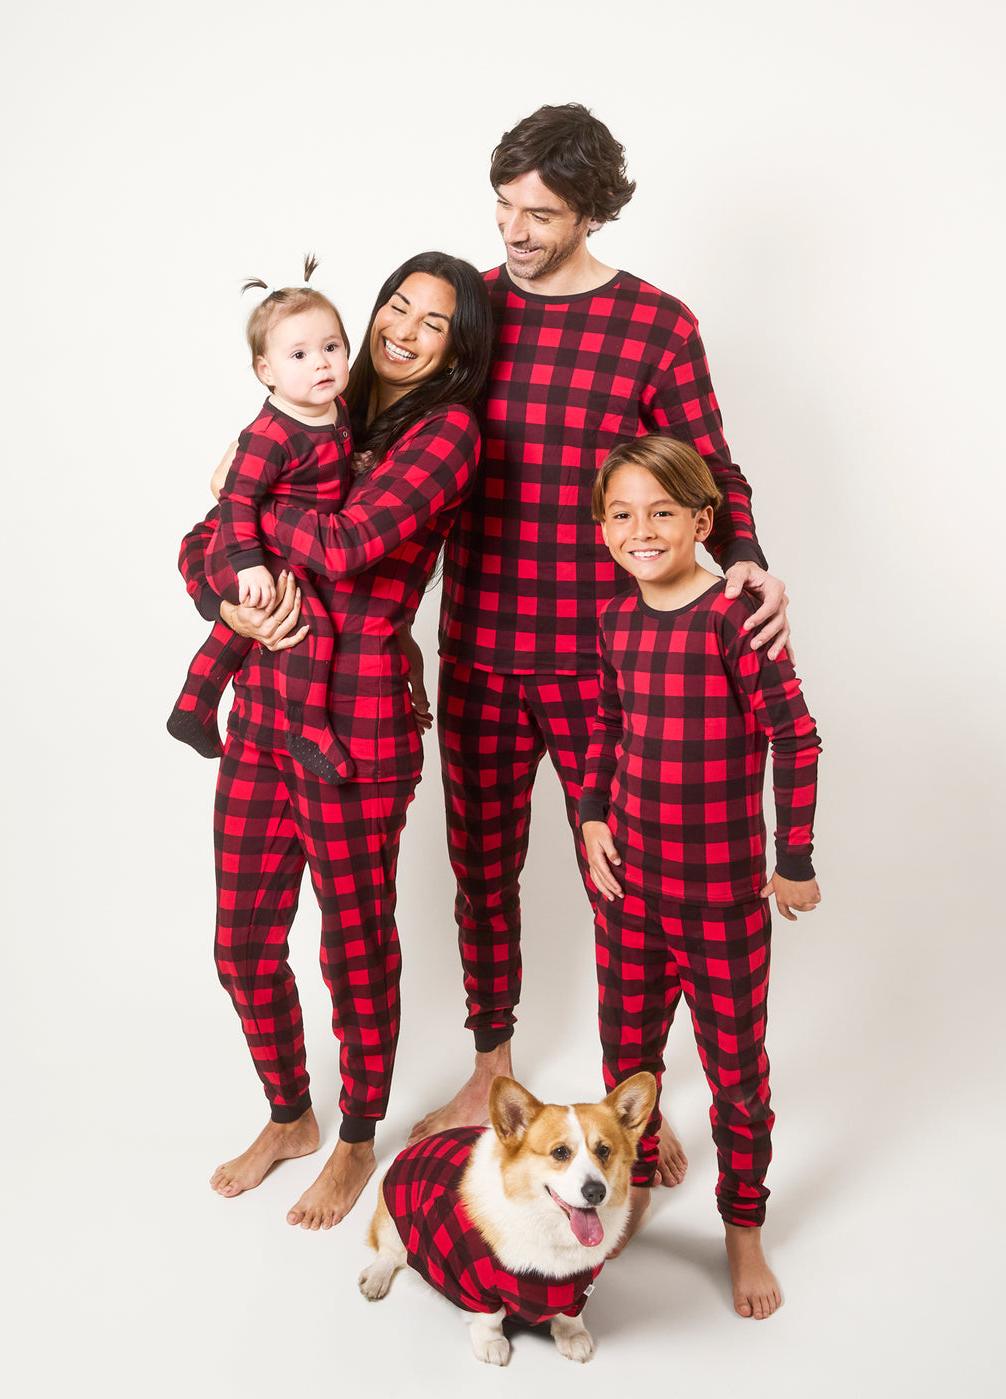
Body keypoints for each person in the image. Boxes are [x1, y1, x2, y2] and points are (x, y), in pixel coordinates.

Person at [413, 104, 793, 1172]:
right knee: (479, 869)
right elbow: (381, 415)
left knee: (628, 889)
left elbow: (708, 471)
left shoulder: (656, 326)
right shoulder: (473, 308)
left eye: (541, 213)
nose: (515, 229)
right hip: (479, 645)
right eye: (503, 206)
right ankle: (493, 1065)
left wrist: (748, 558)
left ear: (591, 212)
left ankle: (637, 1107)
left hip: (604, 666)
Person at [175, 251, 493, 1228]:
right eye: (397, 303)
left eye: (432, 321)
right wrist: (232, 590)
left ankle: (357, 1135)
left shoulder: (446, 435)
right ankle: (289, 1115)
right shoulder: (320, 404)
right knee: (241, 945)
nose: (404, 327)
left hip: (360, 726)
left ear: (456, 347)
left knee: (353, 948)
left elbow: (351, 546)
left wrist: (251, 502)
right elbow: (200, 548)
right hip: (266, 713)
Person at [580, 435, 821, 1318]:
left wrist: (791, 857)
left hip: (722, 901)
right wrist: (594, 815)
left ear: (702, 521)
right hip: (631, 894)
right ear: (604, 528)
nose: (642, 530)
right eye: (623, 514)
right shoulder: (614, 621)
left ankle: (742, 1229)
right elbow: (606, 726)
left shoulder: (732, 617)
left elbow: (796, 736)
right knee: (626, 1057)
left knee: (736, 1077)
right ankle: (635, 1181)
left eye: (663, 512)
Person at [167, 262, 357, 783]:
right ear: (265, 371)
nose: (320, 363)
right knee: (308, 626)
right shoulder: (271, 432)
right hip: (240, 548)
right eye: (298, 355)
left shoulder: (334, 408)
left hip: (274, 550)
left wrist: (355, 461)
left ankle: (193, 707)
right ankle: (308, 727)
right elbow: (235, 499)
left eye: (332, 347)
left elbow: (331, 460)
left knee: (239, 631)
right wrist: (247, 566)